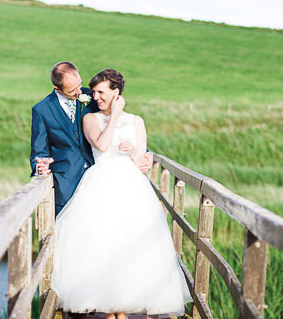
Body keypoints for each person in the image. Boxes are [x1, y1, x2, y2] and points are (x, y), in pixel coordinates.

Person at [51, 69, 192, 319]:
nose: (95, 96)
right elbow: (102, 145)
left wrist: (136, 153)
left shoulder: (136, 121)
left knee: (129, 241)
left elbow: (142, 161)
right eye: (93, 92)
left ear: (116, 93)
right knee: (104, 242)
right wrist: (114, 115)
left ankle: (124, 309)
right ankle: (108, 309)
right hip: (101, 184)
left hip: (132, 186)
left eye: (101, 92)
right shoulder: (90, 119)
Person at [30, 61, 152, 216]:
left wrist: (146, 154)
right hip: (66, 183)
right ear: (57, 89)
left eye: (79, 85)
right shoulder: (42, 110)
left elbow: (119, 124)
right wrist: (38, 166)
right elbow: (38, 151)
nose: (79, 92)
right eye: (72, 90)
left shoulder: (93, 95)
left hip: (102, 181)